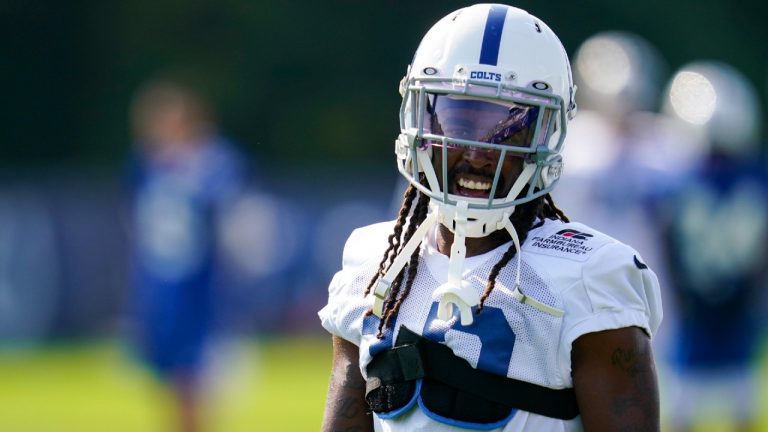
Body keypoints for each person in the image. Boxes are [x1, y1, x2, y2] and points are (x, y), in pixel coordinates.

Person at [319, 4, 663, 432]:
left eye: (510, 128)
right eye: (459, 123)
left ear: (548, 135)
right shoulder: (373, 263)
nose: (481, 154)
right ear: (419, 122)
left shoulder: (591, 275)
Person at [126, 78, 246, 432]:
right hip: (157, 282)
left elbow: (229, 209)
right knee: (163, 374)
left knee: (194, 374)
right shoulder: (144, 164)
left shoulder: (211, 161)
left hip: (198, 285)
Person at [657, 61, 767, 432]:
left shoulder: (676, 178)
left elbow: (668, 243)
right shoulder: (754, 175)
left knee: (683, 406)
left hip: (695, 302)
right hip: (735, 301)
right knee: (741, 404)